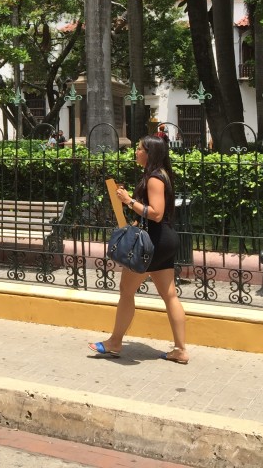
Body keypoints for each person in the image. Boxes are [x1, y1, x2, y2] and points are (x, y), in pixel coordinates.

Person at [89, 134, 188, 364]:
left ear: (149, 153)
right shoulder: (161, 175)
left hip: (152, 243)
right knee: (169, 294)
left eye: (139, 148)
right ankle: (181, 350)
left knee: (126, 290)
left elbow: (156, 213)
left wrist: (128, 201)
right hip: (164, 240)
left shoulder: (154, 178)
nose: (136, 152)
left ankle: (114, 342)